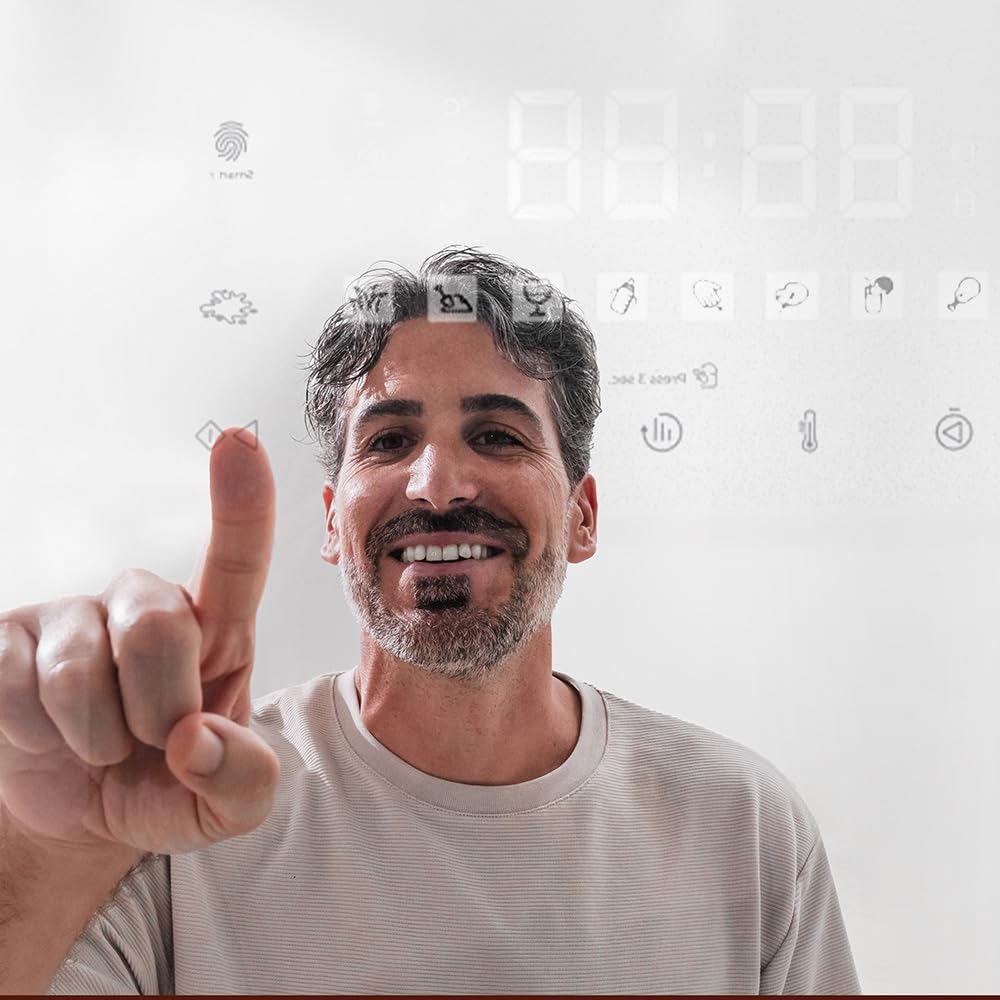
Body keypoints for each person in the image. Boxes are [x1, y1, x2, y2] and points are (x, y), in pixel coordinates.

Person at [0, 246, 860, 994]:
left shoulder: (740, 826)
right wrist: (45, 846)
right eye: (388, 441)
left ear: (585, 516)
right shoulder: (178, 818)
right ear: (334, 523)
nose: (437, 484)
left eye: (497, 435)